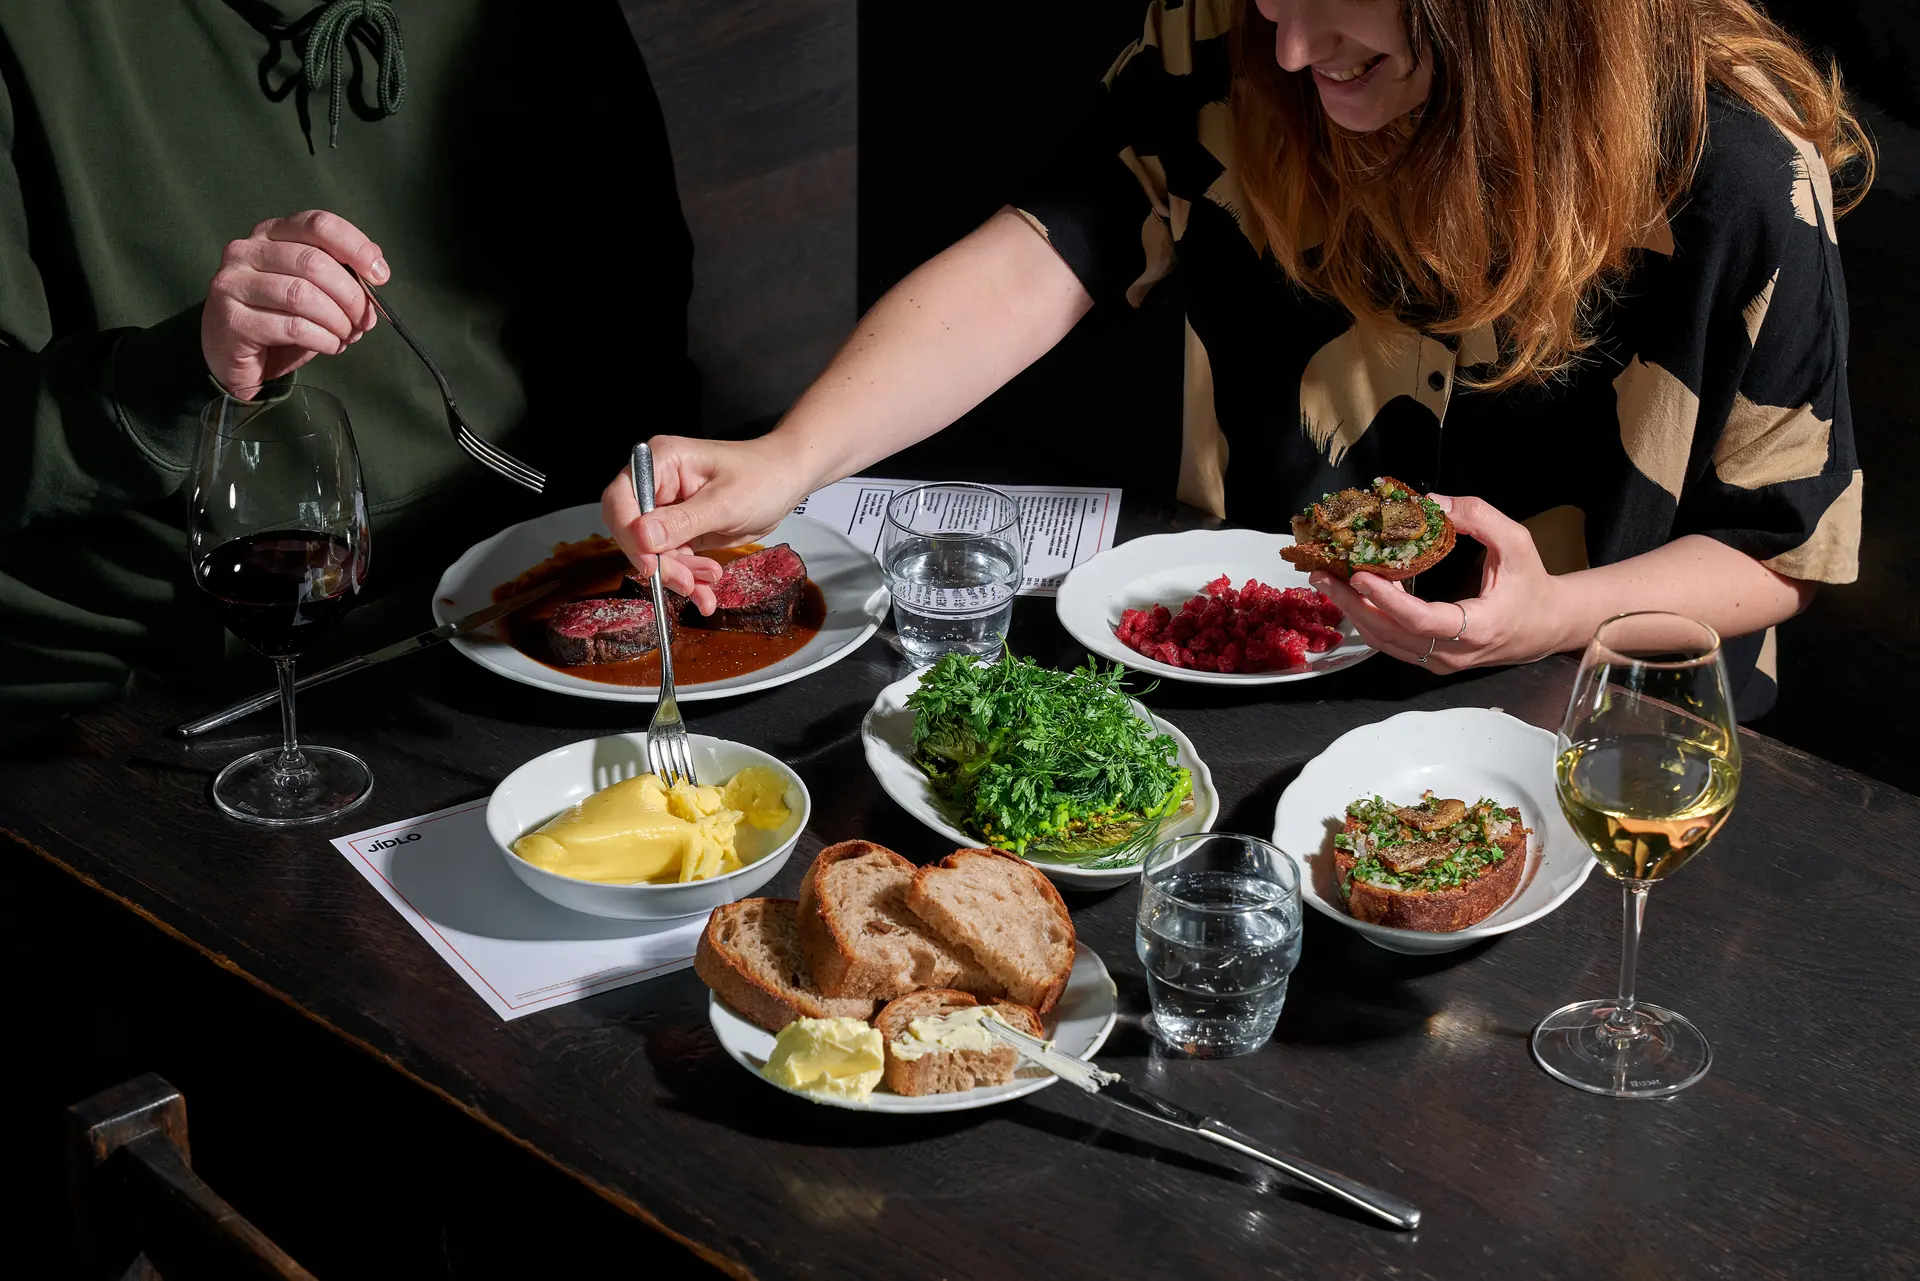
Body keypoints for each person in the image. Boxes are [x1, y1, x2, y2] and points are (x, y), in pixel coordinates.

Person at [604, 0, 1869, 718]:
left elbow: (1776, 555)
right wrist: (787, 459)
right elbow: (1055, 245)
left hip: (1593, 729)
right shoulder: (1247, 32)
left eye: (1341, 18)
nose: (1287, 51)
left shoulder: (1743, 173)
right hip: (1270, 671)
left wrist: (1544, 619)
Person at [0, 0, 699, 743]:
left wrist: (636, 531)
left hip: (516, 601)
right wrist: (177, 371)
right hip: (138, 687)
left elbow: (635, 308)